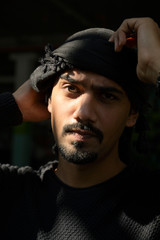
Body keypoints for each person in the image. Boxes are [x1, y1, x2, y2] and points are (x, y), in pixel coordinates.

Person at [0, 17, 160, 240]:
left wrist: (156, 67)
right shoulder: (11, 193)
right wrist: (12, 106)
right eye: (71, 89)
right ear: (48, 100)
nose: (84, 113)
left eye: (107, 96)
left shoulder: (153, 207)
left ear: (132, 114)